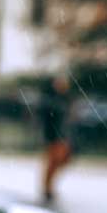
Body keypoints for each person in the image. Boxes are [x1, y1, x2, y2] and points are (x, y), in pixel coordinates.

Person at [39, 72, 75, 203]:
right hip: (54, 136)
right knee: (53, 162)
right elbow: (48, 119)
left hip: (63, 136)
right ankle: (47, 188)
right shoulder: (51, 100)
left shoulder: (65, 99)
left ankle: (48, 187)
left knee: (61, 160)